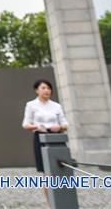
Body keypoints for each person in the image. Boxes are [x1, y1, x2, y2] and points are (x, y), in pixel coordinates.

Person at [23, 78, 68, 206]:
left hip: (57, 138)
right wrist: (37, 126)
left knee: (61, 171)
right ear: (37, 90)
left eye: (48, 88)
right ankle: (50, 204)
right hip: (41, 138)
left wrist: (59, 127)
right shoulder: (31, 105)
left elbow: (65, 123)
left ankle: (63, 202)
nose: (47, 90)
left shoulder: (56, 106)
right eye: (43, 88)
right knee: (46, 172)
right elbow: (25, 124)